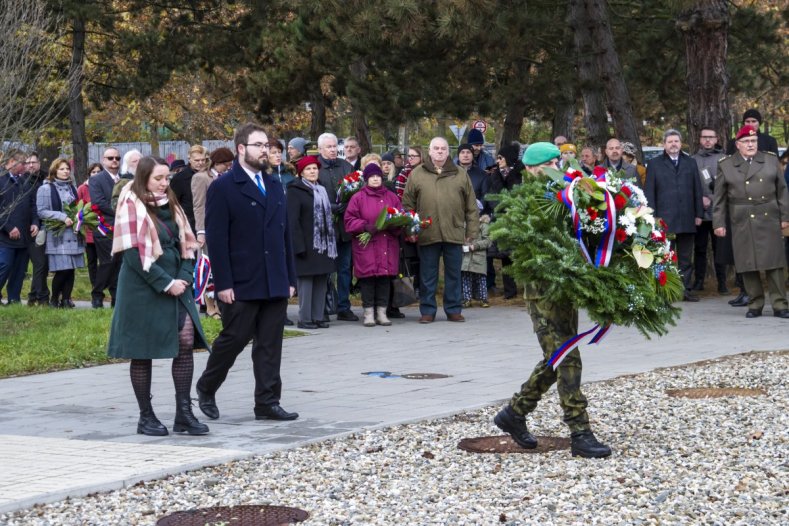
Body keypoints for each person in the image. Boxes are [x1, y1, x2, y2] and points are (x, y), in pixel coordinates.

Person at [494, 142, 611, 459]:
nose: (558, 168)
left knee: (555, 357)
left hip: (565, 290)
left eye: (558, 162)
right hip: (543, 292)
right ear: (532, 169)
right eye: (551, 164)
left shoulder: (564, 195)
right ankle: (580, 432)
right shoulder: (529, 201)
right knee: (567, 358)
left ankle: (515, 413)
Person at [196, 122, 299, 422]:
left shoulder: (276, 185)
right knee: (235, 338)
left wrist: (290, 278)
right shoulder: (224, 187)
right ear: (241, 149)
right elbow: (217, 238)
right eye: (258, 145)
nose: (265, 150)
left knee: (270, 343)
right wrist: (223, 283)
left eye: (267, 145)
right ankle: (206, 386)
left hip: (274, 277)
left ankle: (267, 401)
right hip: (241, 279)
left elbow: (285, 236)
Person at [108, 156, 209, 436]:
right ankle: (146, 416)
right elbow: (132, 254)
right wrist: (165, 283)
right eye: (158, 179)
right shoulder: (130, 203)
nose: (165, 184)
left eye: (167, 178)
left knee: (186, 341)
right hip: (143, 287)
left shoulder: (172, 203)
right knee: (143, 352)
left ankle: (184, 414)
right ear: (143, 179)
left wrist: (185, 278)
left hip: (178, 282)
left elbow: (187, 244)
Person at [714, 125, 789, 319]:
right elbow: (720, 198)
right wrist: (718, 223)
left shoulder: (771, 160)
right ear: (738, 144)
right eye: (746, 141)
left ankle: (780, 304)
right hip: (742, 218)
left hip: (769, 216)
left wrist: (785, 217)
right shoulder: (727, 164)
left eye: (753, 141)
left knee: (774, 263)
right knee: (748, 263)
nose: (750, 144)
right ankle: (755, 303)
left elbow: (782, 192)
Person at [402, 137, 479, 323]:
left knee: (454, 273)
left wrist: (472, 231)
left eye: (443, 148)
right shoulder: (417, 174)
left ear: (448, 151)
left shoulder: (460, 174)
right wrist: (410, 230)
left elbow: (471, 206)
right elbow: (407, 205)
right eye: (435, 148)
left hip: (454, 231)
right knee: (428, 274)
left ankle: (453, 309)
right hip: (427, 231)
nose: (439, 151)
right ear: (429, 151)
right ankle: (427, 311)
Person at [644, 129, 704, 302]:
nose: (673, 144)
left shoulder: (690, 162)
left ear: (681, 143)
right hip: (665, 219)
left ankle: (684, 290)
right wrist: (652, 216)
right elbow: (650, 192)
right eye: (670, 141)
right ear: (664, 144)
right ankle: (666, 291)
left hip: (686, 217)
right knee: (665, 256)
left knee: (686, 258)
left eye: (676, 141)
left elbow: (697, 189)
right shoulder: (654, 164)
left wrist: (698, 213)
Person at [345, 163, 402, 327]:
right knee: (368, 280)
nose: (376, 179)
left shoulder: (391, 196)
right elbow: (349, 220)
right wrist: (364, 226)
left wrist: (395, 224)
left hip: (386, 244)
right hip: (367, 245)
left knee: (384, 280)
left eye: (378, 176)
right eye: (372, 177)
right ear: (366, 179)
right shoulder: (358, 198)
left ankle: (382, 313)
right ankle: (369, 313)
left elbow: (400, 214)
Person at [287, 155, 337, 329]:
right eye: (308, 169)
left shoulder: (321, 189)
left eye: (314, 168)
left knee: (321, 282)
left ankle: (318, 316)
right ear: (301, 173)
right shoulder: (294, 190)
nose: (312, 171)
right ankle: (305, 318)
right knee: (306, 284)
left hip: (323, 245)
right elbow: (292, 221)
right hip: (306, 245)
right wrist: (298, 246)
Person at [316, 132, 357, 321]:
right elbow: (311, 194)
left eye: (334, 147)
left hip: (345, 226)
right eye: (329, 147)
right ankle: (323, 307)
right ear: (320, 149)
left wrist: (347, 206)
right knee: (324, 269)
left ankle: (343, 306)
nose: (333, 150)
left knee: (344, 268)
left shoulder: (347, 166)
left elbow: (356, 193)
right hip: (324, 226)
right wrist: (330, 207)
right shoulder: (315, 167)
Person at [192, 147, 235, 320]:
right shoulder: (201, 178)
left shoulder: (229, 177)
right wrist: (201, 231)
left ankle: (222, 303)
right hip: (210, 228)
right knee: (208, 266)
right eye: (226, 164)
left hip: (228, 228)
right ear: (217, 163)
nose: (229, 167)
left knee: (223, 266)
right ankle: (210, 306)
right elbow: (199, 206)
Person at [36, 159, 85, 308]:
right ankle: (54, 299)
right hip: (58, 235)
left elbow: (77, 209)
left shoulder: (72, 187)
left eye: (67, 168)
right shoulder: (45, 188)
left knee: (70, 270)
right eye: (61, 169)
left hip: (74, 234)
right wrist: (62, 217)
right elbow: (41, 211)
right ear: (54, 171)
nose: (65, 171)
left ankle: (66, 300)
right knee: (62, 270)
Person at [691, 126, 727, 294]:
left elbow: (727, 186)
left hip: (718, 212)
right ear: (700, 139)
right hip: (699, 213)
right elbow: (688, 185)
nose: (707, 140)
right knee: (699, 249)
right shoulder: (692, 160)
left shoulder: (724, 159)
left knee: (720, 249)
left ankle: (722, 282)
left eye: (710, 137)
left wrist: (711, 199)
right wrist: (700, 200)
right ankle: (699, 281)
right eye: (704, 137)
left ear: (716, 139)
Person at [0, 149, 39, 305]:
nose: (25, 166)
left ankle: (14, 299)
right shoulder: (1, 180)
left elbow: (33, 205)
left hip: (24, 236)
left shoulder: (25, 182)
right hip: (5, 236)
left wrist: (35, 222)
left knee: (19, 270)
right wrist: (9, 228)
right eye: (22, 163)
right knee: (5, 265)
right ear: (10, 162)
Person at [485, 143, 523, 299]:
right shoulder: (495, 175)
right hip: (501, 218)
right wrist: (500, 208)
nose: (498, 160)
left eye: (501, 157)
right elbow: (493, 196)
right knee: (504, 255)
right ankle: (509, 290)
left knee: (517, 255)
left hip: (516, 218)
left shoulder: (520, 174)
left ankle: (524, 288)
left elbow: (518, 194)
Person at [89, 147, 123, 308]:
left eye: (117, 158)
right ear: (104, 160)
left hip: (123, 228)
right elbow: (98, 202)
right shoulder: (97, 179)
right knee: (107, 262)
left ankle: (116, 296)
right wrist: (121, 210)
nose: (114, 160)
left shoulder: (124, 179)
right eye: (110, 158)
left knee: (119, 263)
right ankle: (97, 294)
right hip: (105, 227)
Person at [23, 152, 50, 306]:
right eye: (28, 162)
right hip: (32, 229)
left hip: (48, 227)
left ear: (39, 163)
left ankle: (33, 297)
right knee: (40, 263)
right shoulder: (23, 182)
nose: (31, 165)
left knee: (42, 265)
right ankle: (42, 297)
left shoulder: (46, 179)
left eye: (34, 162)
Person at [170, 145, 209, 231]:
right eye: (197, 160)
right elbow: (173, 203)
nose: (200, 163)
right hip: (189, 224)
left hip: (209, 220)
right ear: (189, 159)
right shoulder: (179, 178)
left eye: (203, 160)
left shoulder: (210, 175)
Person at [78, 163, 103, 289]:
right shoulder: (83, 188)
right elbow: (77, 206)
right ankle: (95, 286)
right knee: (92, 261)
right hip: (89, 231)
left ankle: (104, 284)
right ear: (89, 174)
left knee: (104, 261)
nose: (96, 174)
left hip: (104, 230)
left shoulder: (105, 186)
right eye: (94, 172)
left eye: (99, 172)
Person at [461, 207, 492, 308]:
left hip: (479, 257)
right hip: (466, 257)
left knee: (481, 278)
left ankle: (483, 299)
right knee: (466, 278)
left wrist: (475, 246)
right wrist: (463, 242)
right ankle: (467, 299)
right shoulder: (463, 224)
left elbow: (488, 241)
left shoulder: (484, 225)